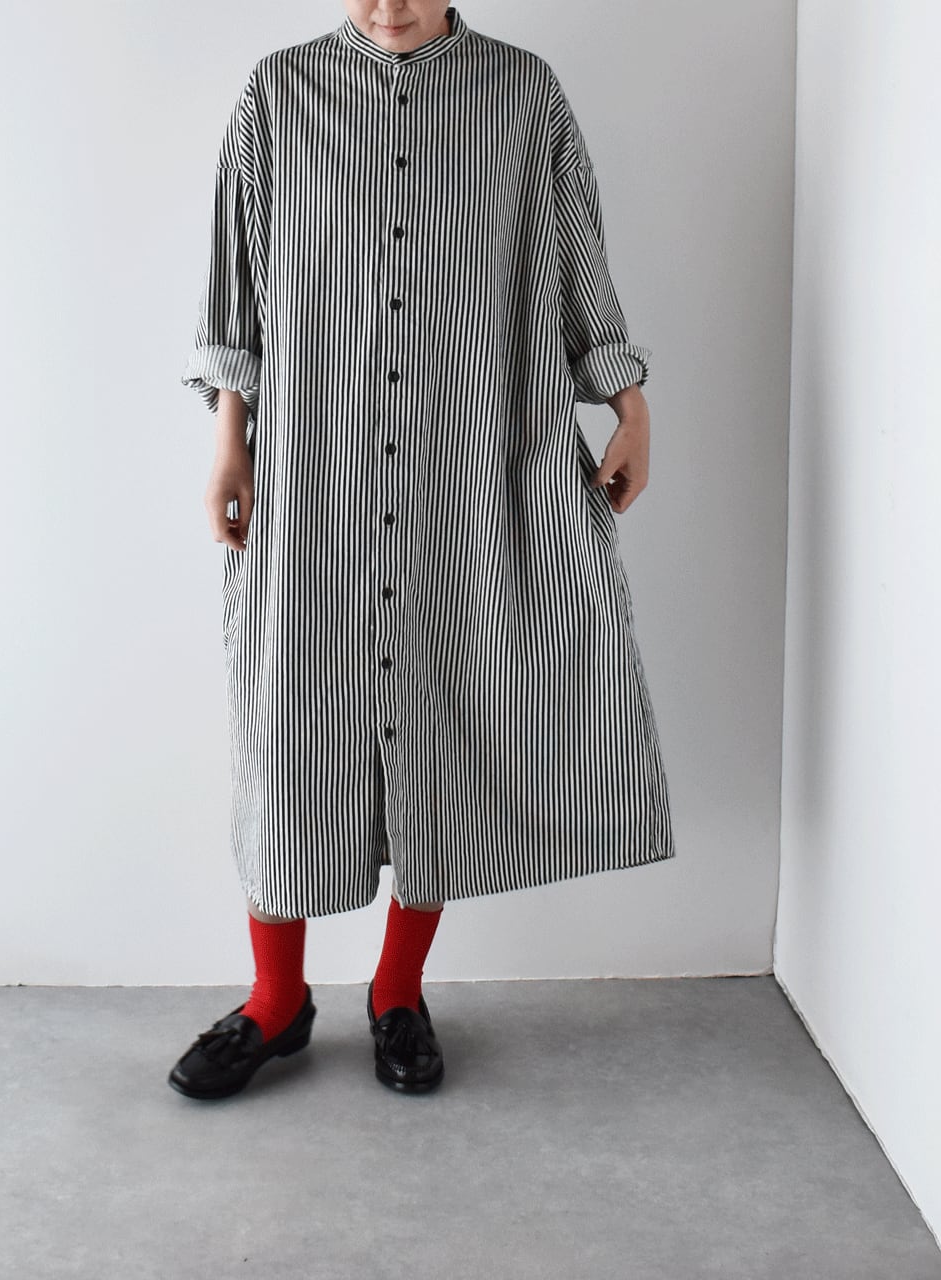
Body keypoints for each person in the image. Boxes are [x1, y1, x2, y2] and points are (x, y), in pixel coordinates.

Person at [168, 1, 676, 1101]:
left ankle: (396, 992)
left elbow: (577, 258)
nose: (389, 2)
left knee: (445, 721)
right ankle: (275, 1001)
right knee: (288, 731)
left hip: (471, 466)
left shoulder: (523, 97)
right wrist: (228, 440)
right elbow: (234, 289)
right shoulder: (276, 98)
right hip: (313, 473)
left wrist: (626, 403)